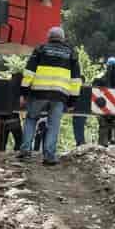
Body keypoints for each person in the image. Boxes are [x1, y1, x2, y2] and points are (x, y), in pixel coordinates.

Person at [18, 26, 82, 166]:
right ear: (63, 38)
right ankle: (49, 156)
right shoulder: (71, 53)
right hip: (60, 95)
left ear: (49, 37)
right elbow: (76, 80)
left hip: (38, 93)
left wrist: (23, 92)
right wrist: (72, 101)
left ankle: (25, 150)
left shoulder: (41, 49)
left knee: (31, 118)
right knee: (53, 125)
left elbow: (29, 72)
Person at [94, 56, 115, 146]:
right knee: (104, 124)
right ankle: (103, 144)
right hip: (102, 105)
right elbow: (95, 93)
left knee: (114, 122)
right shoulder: (100, 78)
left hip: (113, 106)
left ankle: (112, 140)